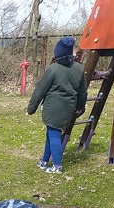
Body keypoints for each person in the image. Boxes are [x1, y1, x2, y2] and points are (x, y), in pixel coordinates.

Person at [27, 36, 88, 174]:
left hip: (53, 108)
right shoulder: (79, 69)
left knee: (54, 135)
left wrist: (31, 109)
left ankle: (57, 165)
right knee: (51, 133)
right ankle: (44, 160)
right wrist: (80, 106)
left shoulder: (52, 69)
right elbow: (82, 91)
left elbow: (40, 90)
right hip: (68, 108)